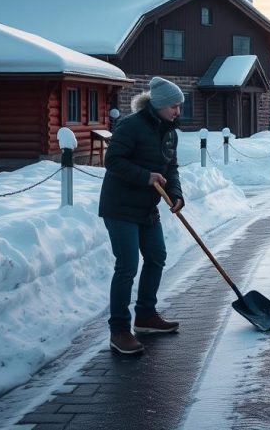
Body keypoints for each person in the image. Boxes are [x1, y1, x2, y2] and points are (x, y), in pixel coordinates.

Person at [98, 77, 185, 354]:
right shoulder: (131, 125)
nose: (177, 112)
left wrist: (176, 193)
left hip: (147, 208)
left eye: (179, 106)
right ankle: (119, 330)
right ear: (158, 105)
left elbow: (171, 167)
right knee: (127, 266)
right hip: (120, 207)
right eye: (173, 106)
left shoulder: (170, 132)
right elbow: (112, 161)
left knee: (157, 256)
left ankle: (146, 316)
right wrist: (146, 177)